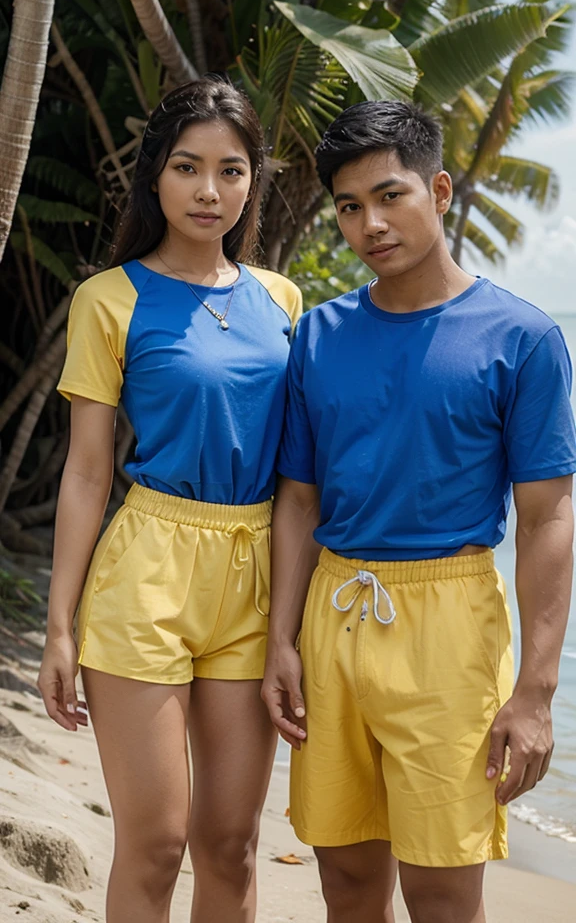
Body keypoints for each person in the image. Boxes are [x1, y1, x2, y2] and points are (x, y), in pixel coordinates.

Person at [262, 100, 576, 923]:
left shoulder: (524, 337)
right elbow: (298, 499)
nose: (371, 223)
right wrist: (279, 644)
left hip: (451, 625)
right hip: (334, 617)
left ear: (438, 190)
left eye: (390, 195)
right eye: (349, 206)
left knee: (442, 894)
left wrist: (536, 693)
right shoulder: (319, 337)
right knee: (348, 885)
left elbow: (547, 519)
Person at [37, 76, 302, 923]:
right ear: (156, 175)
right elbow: (87, 473)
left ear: (253, 181)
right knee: (154, 843)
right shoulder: (108, 299)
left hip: (254, 577)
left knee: (230, 845)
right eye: (188, 167)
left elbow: (304, 477)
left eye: (231, 170)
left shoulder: (282, 301)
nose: (209, 190)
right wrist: (59, 625)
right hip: (146, 568)